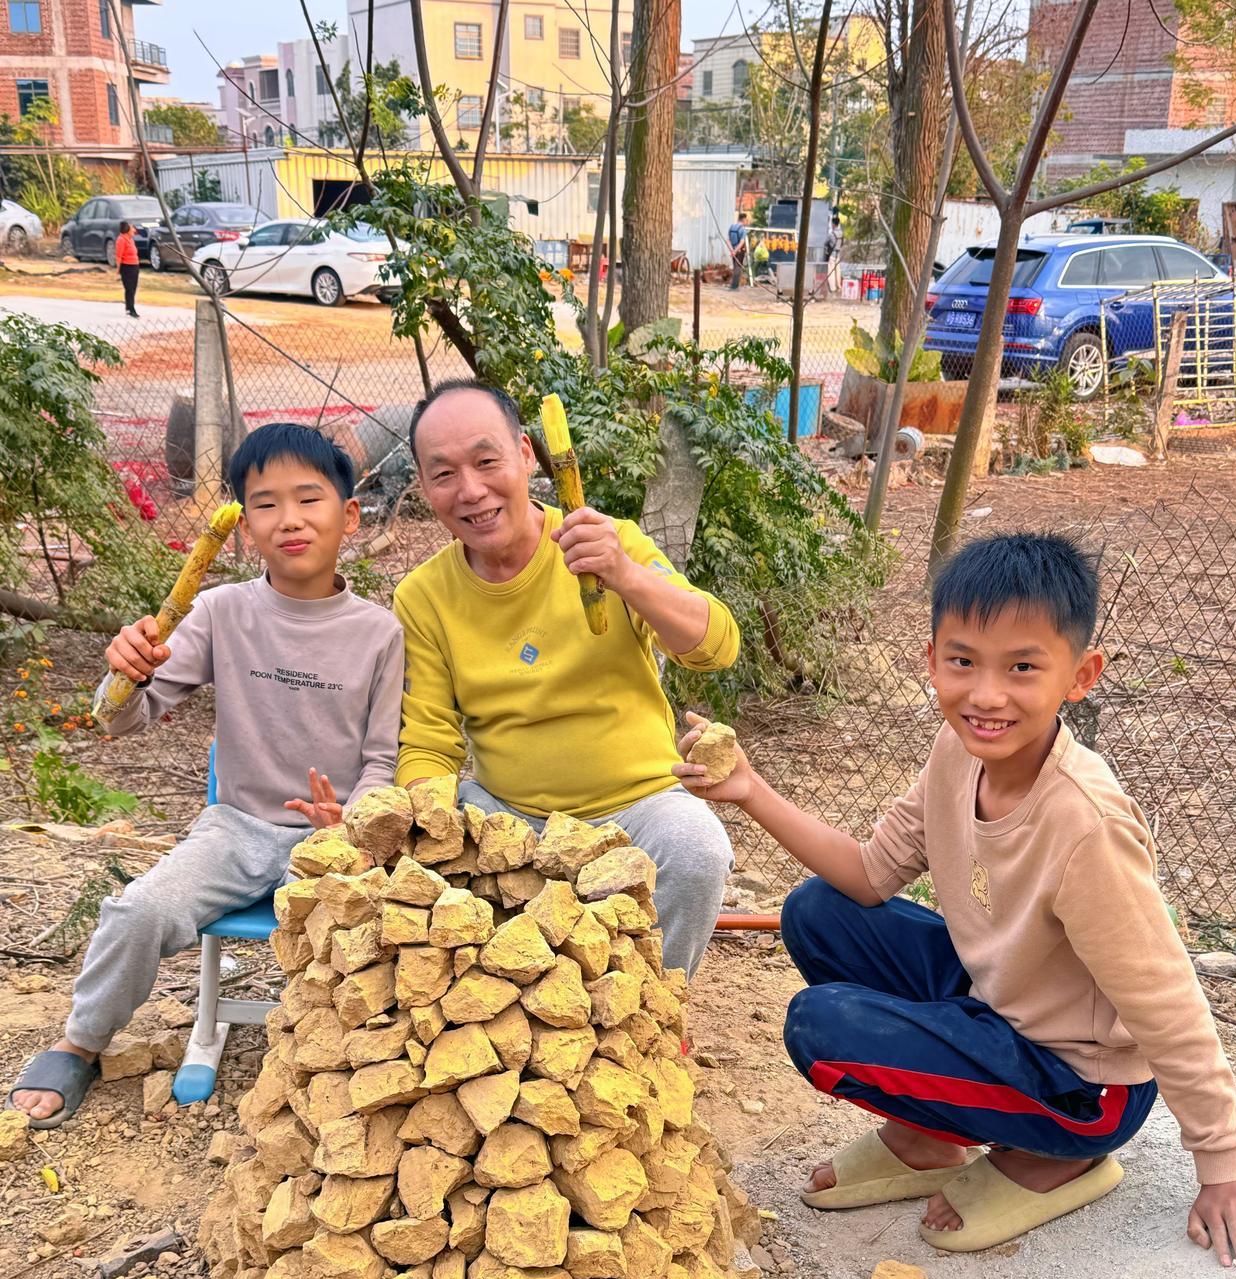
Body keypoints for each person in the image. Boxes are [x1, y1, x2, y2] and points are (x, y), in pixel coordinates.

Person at [675, 533, 1236, 1268]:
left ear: (1079, 675)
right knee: (816, 912)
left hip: (1083, 1081)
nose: (986, 695)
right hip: (1001, 1004)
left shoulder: (1087, 828)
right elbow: (868, 874)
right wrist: (749, 790)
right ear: (932, 660)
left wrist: (1223, 1164)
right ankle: (933, 1135)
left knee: (822, 1027)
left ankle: (1062, 1155)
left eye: (1023, 667)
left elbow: (1165, 998)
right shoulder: (956, 752)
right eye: (963, 662)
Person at [7, 423, 404, 1129]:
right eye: (264, 504)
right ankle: (81, 1041)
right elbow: (123, 718)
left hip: (334, 838)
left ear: (348, 516)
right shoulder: (221, 611)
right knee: (139, 911)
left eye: (309, 499)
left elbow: (381, 758)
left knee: (379, 936)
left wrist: (357, 818)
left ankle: (359, 1061)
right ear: (244, 528)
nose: (288, 519)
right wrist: (123, 674)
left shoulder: (380, 633)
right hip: (236, 828)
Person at [397, 378, 739, 980]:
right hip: (509, 816)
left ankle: (656, 1008)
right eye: (443, 473)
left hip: (638, 808)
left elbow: (714, 647)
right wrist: (425, 824)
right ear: (424, 488)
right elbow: (427, 739)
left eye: (486, 461)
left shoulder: (610, 544)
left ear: (527, 454)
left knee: (696, 850)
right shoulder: (423, 597)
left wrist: (625, 575)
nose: (471, 490)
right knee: (425, 854)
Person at [116, 219, 140, 318]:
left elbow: (137, 231)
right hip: (126, 267)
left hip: (135, 266)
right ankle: (131, 309)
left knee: (133, 288)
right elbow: (118, 256)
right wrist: (118, 270)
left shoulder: (130, 239)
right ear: (127, 229)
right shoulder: (121, 239)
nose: (134, 230)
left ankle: (129, 307)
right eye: (132, 228)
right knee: (129, 289)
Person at [728, 217, 747, 291]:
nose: (747, 222)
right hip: (739, 251)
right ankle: (734, 286)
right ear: (743, 220)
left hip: (733, 250)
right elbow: (742, 242)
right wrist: (735, 251)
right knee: (738, 268)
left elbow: (728, 240)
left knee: (735, 267)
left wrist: (732, 250)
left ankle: (733, 285)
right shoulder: (742, 229)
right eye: (746, 221)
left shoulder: (731, 227)